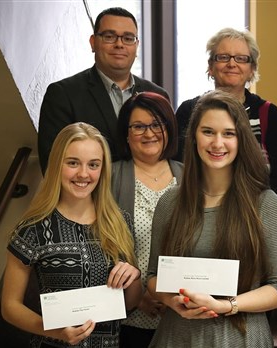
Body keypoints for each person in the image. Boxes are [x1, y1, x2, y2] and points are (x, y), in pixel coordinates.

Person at [147, 90, 277, 347]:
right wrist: (173, 301)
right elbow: (152, 277)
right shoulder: (169, 202)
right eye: (208, 132)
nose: (217, 143)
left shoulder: (264, 203)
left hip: (240, 337)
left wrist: (226, 306)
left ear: (241, 140)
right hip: (178, 336)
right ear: (193, 137)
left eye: (228, 133)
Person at [2, 122, 143, 348]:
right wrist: (54, 331)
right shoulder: (32, 228)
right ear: (57, 164)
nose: (83, 174)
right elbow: (9, 307)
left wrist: (133, 277)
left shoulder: (120, 222)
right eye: (73, 163)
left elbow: (130, 305)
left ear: (103, 169)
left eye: (93, 164)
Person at [38, 7, 170, 174]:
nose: (119, 44)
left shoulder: (158, 95)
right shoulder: (63, 94)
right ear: (93, 42)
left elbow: (167, 155)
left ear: (137, 45)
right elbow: (53, 165)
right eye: (109, 36)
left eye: (128, 38)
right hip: (89, 198)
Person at [174, 28, 277, 198]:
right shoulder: (188, 111)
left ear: (252, 69)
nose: (232, 64)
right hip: (199, 207)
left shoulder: (267, 113)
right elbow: (180, 166)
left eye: (241, 59)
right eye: (223, 57)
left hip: (254, 211)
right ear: (211, 67)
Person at [110, 92, 183, 347]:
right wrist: (137, 296)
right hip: (130, 318)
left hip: (182, 316)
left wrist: (172, 297)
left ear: (169, 129)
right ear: (126, 134)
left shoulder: (190, 178)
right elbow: (97, 245)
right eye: (139, 126)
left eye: (156, 124)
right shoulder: (110, 177)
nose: (149, 133)